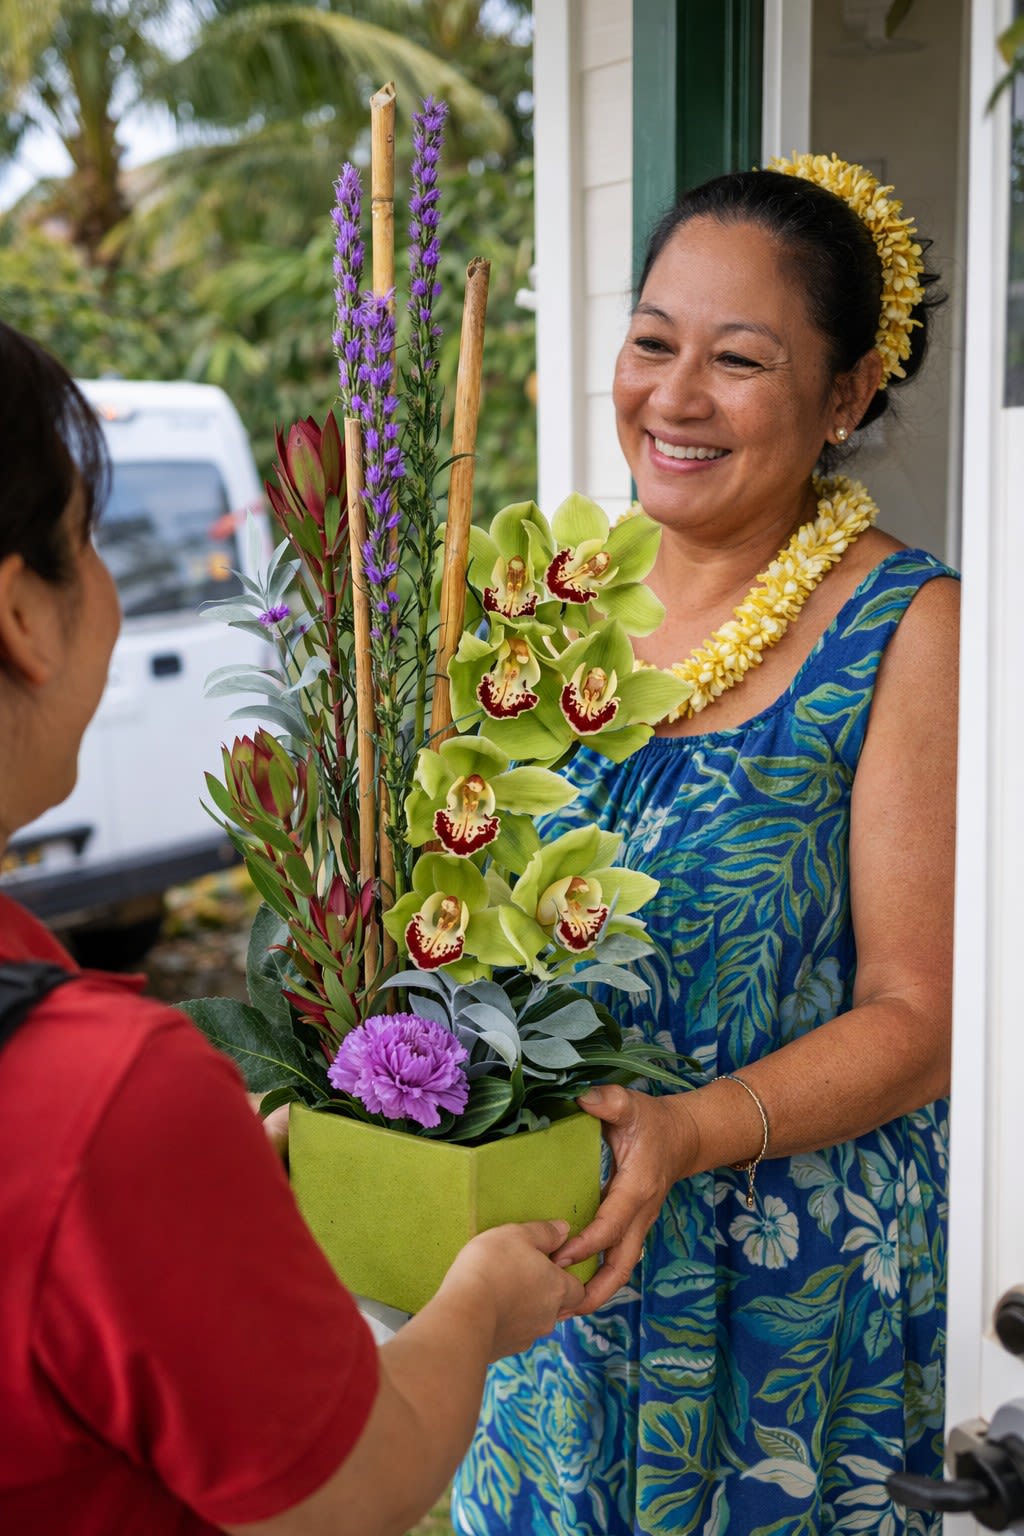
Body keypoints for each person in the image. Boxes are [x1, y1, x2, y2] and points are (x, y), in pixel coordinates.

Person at [0, 319, 584, 1536]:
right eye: (89, 542)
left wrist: (190, 1194)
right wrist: (473, 1303)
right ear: (21, 610)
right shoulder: (98, 1091)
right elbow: (354, 1492)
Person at [452, 155, 958, 1534]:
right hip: (557, 1278)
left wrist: (689, 1130)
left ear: (847, 395)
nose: (672, 398)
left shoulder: (910, 634)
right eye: (651, 342)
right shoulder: (547, 614)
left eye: (737, 360)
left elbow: (923, 1018)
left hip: (786, 1297)